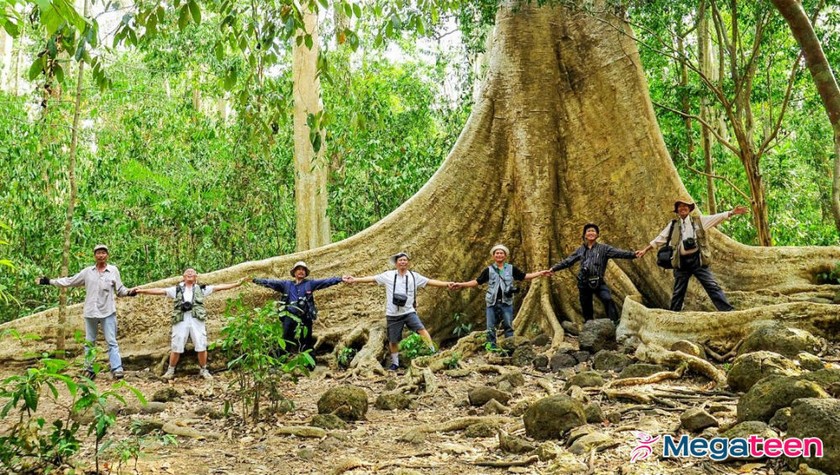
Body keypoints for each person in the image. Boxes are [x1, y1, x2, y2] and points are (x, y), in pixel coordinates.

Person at [345, 251, 453, 371]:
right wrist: (355, 280)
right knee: (393, 340)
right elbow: (373, 279)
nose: (403, 262)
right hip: (393, 313)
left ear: (408, 263)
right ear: (396, 263)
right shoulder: (389, 275)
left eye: (405, 260)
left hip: (409, 312)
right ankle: (395, 363)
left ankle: (433, 352)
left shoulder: (414, 276)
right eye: (400, 260)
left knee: (421, 330)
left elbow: (430, 282)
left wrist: (447, 284)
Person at [37, 244, 132, 379]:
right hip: (91, 312)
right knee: (89, 342)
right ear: (94, 256)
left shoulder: (113, 271)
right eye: (98, 253)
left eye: (103, 253)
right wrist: (50, 281)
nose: (101, 255)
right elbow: (70, 281)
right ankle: (89, 369)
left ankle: (117, 368)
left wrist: (130, 292)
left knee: (111, 341)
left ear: (107, 255)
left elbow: (121, 290)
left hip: (108, 311)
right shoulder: (87, 272)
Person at [131, 269, 244, 380]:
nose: (190, 273)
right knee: (177, 345)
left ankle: (204, 370)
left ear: (196, 277)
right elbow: (160, 290)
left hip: (196, 319)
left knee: (201, 344)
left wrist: (236, 284)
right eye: (187, 272)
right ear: (183, 277)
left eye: (192, 272)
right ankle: (170, 370)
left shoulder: (201, 289)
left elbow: (218, 287)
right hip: (181, 319)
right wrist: (140, 290)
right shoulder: (177, 289)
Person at [637, 198, 748, 311]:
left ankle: (728, 310)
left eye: (685, 206)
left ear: (690, 209)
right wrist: (645, 250)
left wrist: (732, 212)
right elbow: (660, 239)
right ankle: (673, 314)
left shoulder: (699, 221)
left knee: (712, 285)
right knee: (678, 290)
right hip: (681, 262)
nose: (682, 208)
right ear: (677, 210)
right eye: (680, 206)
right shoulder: (673, 225)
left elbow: (716, 218)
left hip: (697, 260)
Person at [450, 244, 549, 348]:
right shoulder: (489, 270)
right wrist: (461, 284)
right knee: (490, 327)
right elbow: (477, 282)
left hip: (506, 302)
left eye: (501, 253)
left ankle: (509, 347)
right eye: (497, 253)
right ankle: (491, 348)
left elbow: (524, 276)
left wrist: (541, 273)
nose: (499, 255)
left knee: (508, 326)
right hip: (491, 302)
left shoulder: (511, 269)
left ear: (505, 256)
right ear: (493, 256)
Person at [252, 261, 347, 357]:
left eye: (303, 270)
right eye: (298, 269)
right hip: (289, 317)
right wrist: (254, 280)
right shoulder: (286, 284)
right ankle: (282, 361)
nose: (301, 271)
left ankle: (310, 364)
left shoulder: (310, 284)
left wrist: (340, 279)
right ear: (294, 272)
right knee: (286, 339)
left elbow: (325, 282)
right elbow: (270, 283)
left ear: (306, 273)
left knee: (306, 341)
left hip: (305, 317)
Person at [547, 224, 637, 322]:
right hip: (584, 282)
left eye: (593, 231)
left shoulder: (604, 248)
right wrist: (554, 269)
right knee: (586, 306)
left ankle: (614, 323)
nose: (591, 233)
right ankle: (589, 327)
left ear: (597, 235)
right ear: (585, 235)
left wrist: (634, 254)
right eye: (588, 231)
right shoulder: (581, 250)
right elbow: (568, 261)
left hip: (599, 281)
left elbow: (619, 253)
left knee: (607, 299)